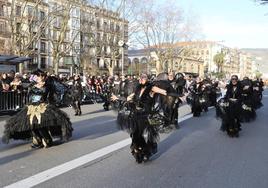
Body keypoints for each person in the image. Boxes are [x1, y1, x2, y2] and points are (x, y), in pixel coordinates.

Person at [112, 73, 185, 163]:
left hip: (146, 115)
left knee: (145, 134)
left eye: (144, 78)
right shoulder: (137, 89)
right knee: (135, 134)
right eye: (141, 78)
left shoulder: (152, 88)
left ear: (147, 79)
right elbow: (128, 98)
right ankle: (140, 150)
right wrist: (117, 98)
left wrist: (178, 96)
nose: (142, 79)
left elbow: (165, 92)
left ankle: (147, 150)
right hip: (136, 114)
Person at [2, 69, 73, 148]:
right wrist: (17, 85)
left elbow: (61, 89)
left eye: (38, 76)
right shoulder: (32, 84)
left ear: (43, 77)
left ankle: (47, 140)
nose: (37, 77)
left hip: (42, 107)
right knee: (31, 126)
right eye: (36, 76)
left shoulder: (48, 84)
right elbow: (24, 87)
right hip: (31, 107)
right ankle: (38, 141)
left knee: (40, 126)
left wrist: (58, 99)